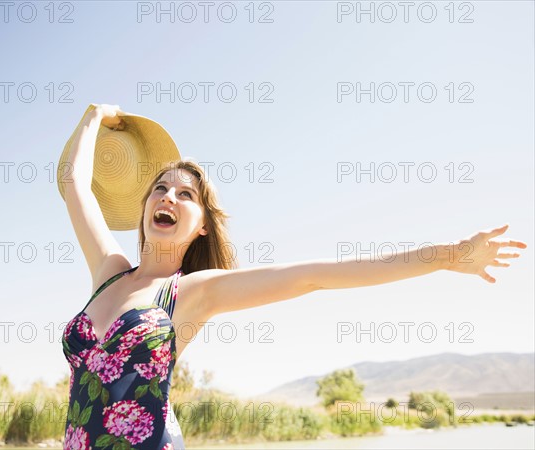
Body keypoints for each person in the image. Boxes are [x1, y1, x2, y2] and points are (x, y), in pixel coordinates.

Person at [60, 104, 527, 450]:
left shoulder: (193, 292)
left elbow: (313, 276)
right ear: (144, 206)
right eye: (160, 188)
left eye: (186, 194)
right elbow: (73, 185)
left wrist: (447, 256)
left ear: (201, 224)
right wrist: (94, 119)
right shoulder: (109, 272)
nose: (169, 197)